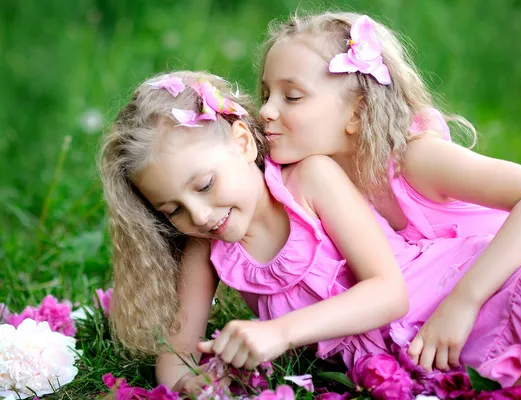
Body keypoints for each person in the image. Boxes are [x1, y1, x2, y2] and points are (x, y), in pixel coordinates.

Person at [257, 11, 521, 398]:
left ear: (356, 112)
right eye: (266, 94)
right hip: (492, 309)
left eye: (292, 96)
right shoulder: (318, 182)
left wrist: (462, 303)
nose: (267, 110)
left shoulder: (411, 159)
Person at [99, 70, 412, 394]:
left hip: (427, 310)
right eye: (173, 210)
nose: (200, 215)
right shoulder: (206, 247)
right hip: (382, 368)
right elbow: (176, 358)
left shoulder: (310, 181)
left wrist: (279, 332)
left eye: (205, 185)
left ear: (243, 143)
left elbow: (390, 293)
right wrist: (193, 383)